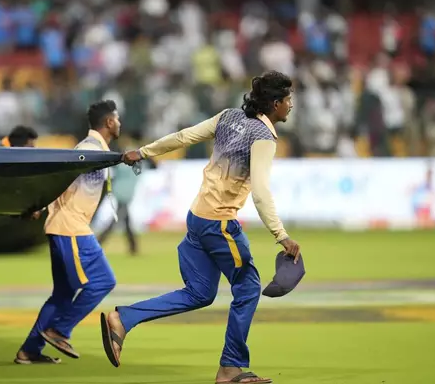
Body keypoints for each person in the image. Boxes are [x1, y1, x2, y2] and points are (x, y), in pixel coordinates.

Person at [100, 71, 302, 384]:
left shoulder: (228, 117)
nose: (290, 105)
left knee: (199, 293)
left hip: (197, 218)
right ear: (275, 103)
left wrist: (142, 151)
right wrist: (282, 235)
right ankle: (231, 368)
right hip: (219, 224)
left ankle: (123, 318)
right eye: (288, 100)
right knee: (248, 287)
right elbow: (261, 192)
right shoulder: (264, 136)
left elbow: (183, 137)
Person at [14, 100, 120, 364]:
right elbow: (58, 177)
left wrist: (43, 206)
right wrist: (40, 204)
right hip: (71, 227)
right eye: (117, 119)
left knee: (63, 293)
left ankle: (29, 350)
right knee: (103, 281)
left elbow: (64, 184)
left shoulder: (95, 150)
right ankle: (60, 330)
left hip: (66, 227)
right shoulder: (88, 149)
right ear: (109, 122)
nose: (119, 123)